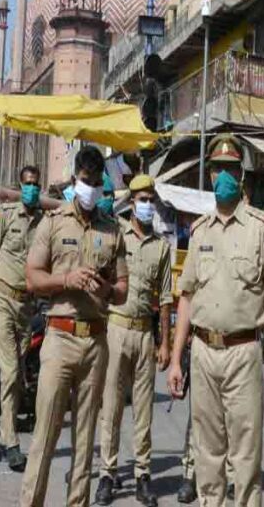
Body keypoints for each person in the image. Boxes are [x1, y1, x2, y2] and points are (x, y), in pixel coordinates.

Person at [166, 133, 264, 507]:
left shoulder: (259, 226)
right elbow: (185, 296)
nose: (223, 176)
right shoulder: (200, 230)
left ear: (241, 177)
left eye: (230, 170)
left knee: (245, 455)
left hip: (243, 352)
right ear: (210, 175)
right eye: (217, 169)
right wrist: (175, 359)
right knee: (207, 454)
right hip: (203, 352)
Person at [20, 147, 128, 507]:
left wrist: (107, 289)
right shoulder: (54, 222)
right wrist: (67, 279)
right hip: (60, 337)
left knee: (84, 442)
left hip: (96, 341)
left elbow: (123, 290)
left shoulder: (112, 230)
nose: (91, 189)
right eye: (86, 181)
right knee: (45, 435)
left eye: (97, 184)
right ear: (74, 178)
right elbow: (33, 278)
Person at [95, 174, 172, 506]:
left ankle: (142, 475)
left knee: (144, 411)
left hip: (145, 334)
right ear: (132, 203)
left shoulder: (162, 246)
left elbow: (166, 299)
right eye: (142, 199)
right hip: (116, 328)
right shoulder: (116, 236)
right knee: (110, 407)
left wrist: (165, 342)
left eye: (151, 200)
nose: (147, 205)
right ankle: (107, 475)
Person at [0, 166, 43, 473]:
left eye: (36, 184)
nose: (32, 189)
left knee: (16, 378)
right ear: (20, 185)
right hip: (1, 300)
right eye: (27, 184)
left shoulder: (44, 223)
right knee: (11, 372)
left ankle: (4, 438)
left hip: (26, 308)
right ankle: (12, 444)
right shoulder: (8, 215)